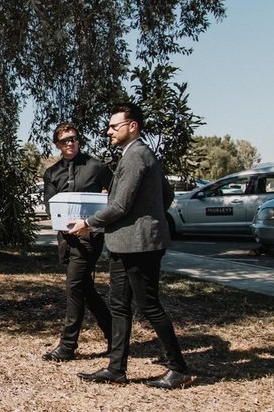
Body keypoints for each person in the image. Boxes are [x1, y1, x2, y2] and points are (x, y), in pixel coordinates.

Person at [68, 102, 191, 390]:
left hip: (140, 245)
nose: (109, 131)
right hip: (124, 243)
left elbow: (121, 205)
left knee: (149, 305)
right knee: (119, 305)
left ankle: (178, 368)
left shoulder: (136, 155)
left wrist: (87, 222)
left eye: (114, 126)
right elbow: (166, 193)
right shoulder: (137, 154)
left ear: (132, 126)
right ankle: (116, 368)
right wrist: (150, 214)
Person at [41, 122, 113, 362]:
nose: (70, 143)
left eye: (73, 138)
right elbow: (50, 205)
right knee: (86, 290)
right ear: (57, 145)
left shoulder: (96, 166)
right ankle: (116, 336)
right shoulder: (51, 173)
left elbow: (116, 195)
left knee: (74, 287)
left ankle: (67, 346)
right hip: (65, 239)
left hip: (90, 237)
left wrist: (104, 199)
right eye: (64, 141)